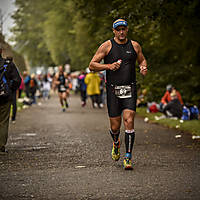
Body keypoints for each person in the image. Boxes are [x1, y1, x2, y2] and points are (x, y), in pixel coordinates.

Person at [89, 18, 147, 169]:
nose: (121, 32)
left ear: (127, 30)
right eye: (118, 29)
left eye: (124, 29)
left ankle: (128, 157)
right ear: (114, 31)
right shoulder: (107, 46)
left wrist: (143, 67)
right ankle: (116, 142)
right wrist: (109, 66)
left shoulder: (134, 45)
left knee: (129, 120)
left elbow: (142, 60)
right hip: (113, 90)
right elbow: (92, 65)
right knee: (115, 127)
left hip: (130, 88)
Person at [0, 45, 21, 152]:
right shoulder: (8, 64)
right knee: (3, 121)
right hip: (4, 97)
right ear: (1, 51)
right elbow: (18, 80)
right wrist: (11, 90)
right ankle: (1, 145)